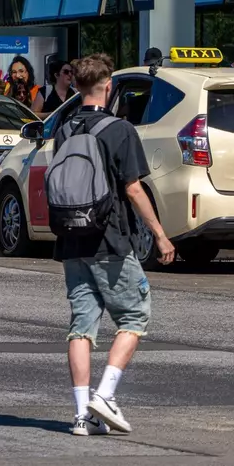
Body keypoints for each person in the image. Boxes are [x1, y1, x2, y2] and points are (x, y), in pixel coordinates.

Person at [53, 54, 174, 437]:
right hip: (110, 241)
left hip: (72, 240)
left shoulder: (63, 128)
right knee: (134, 317)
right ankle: (105, 394)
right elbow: (133, 188)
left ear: (76, 88)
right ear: (108, 87)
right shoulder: (120, 130)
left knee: (81, 328)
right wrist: (159, 233)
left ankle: (80, 415)